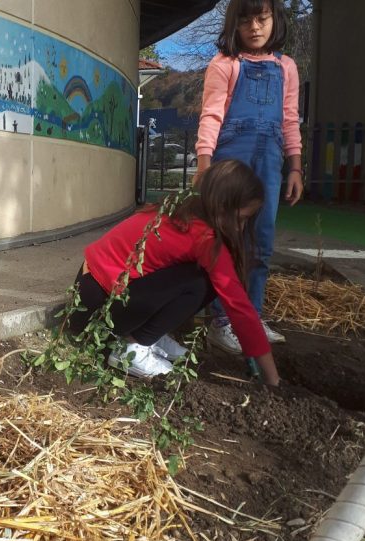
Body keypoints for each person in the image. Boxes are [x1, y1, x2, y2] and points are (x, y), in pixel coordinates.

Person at [68, 160, 281, 387]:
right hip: (95, 312)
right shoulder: (204, 238)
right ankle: (131, 349)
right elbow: (239, 306)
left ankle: (147, 336)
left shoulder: (183, 209)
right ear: (221, 207)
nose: (240, 228)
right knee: (201, 282)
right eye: (241, 219)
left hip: (88, 293)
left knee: (196, 276)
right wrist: (273, 379)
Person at [195, 0, 304, 354]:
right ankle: (222, 321)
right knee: (227, 240)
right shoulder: (225, 64)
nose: (255, 26)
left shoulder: (286, 68)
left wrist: (296, 167)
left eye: (262, 18)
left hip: (270, 164)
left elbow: (290, 120)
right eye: (246, 19)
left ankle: (251, 318)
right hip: (230, 163)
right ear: (234, 23)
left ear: (274, 19)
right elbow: (211, 116)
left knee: (261, 242)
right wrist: (204, 166)